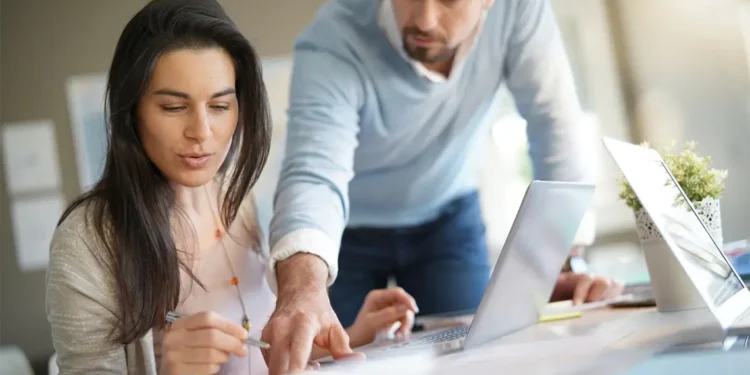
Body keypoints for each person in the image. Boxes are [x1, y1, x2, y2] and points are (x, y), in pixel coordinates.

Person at [45, 1, 417, 374]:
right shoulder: (87, 243)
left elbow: (255, 353)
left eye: (220, 106)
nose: (202, 133)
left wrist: (356, 336)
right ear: (131, 112)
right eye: (174, 107)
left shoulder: (237, 199)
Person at [262, 0, 624, 373]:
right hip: (343, 234)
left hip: (447, 218)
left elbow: (554, 123)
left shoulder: (520, 10)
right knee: (335, 361)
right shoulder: (335, 37)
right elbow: (314, 171)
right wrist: (302, 292)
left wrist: (564, 260)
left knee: (481, 355)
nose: (424, 19)